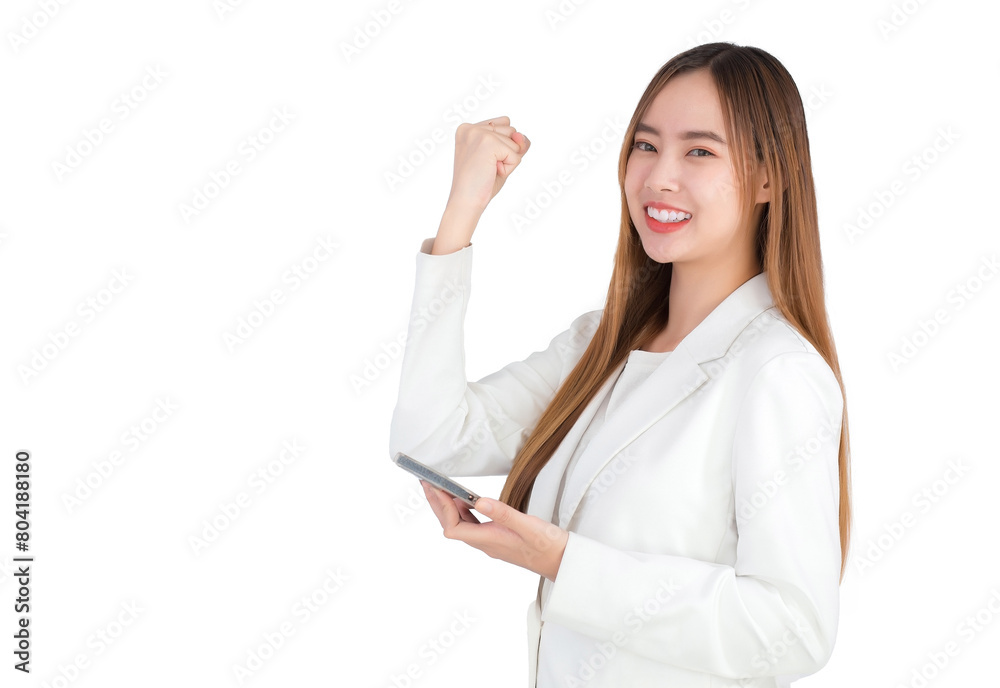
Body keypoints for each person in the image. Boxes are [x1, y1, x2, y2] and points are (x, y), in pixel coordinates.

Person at [389, 41, 852, 688]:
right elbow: (431, 437)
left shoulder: (776, 373)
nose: (659, 176)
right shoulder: (601, 344)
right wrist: (461, 214)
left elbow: (793, 631)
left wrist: (566, 563)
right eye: (645, 145)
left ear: (769, 176)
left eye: (699, 151)